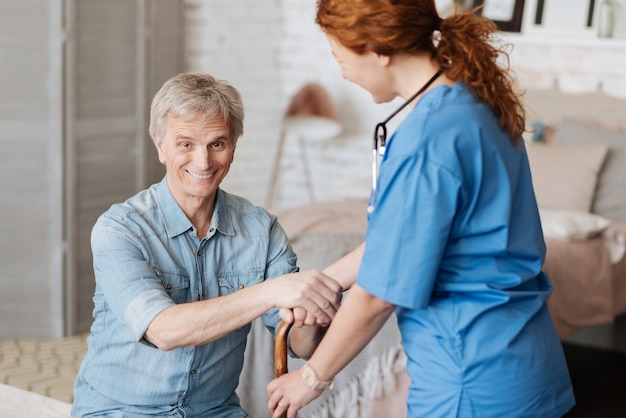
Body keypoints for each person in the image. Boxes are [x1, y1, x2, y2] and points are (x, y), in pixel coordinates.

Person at [267, 1, 576, 417]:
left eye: (340, 56)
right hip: (527, 368)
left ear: (379, 51)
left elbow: (378, 295)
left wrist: (311, 377)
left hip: (470, 383)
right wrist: (324, 282)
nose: (341, 71)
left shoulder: (426, 143)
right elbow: (399, 238)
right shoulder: (479, 102)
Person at [71, 72, 343, 417]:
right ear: (160, 146)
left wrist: (312, 308)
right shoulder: (120, 229)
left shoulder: (262, 229)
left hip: (215, 411)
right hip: (121, 410)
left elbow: (298, 344)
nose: (203, 162)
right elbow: (164, 330)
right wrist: (273, 291)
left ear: (234, 145)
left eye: (217, 143)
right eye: (185, 144)